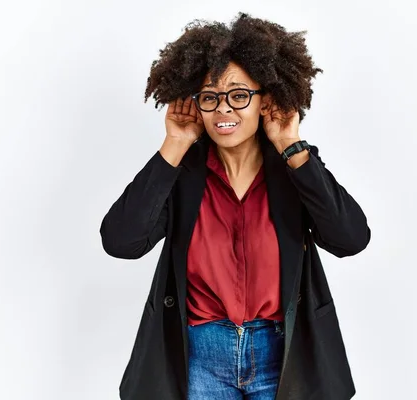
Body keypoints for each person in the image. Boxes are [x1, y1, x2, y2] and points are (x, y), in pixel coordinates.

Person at [100, 12, 370, 400]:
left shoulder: (294, 168)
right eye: (210, 97)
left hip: (284, 356)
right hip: (200, 358)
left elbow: (351, 239)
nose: (224, 109)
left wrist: (292, 146)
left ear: (266, 99)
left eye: (239, 95)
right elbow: (121, 242)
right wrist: (174, 144)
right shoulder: (183, 173)